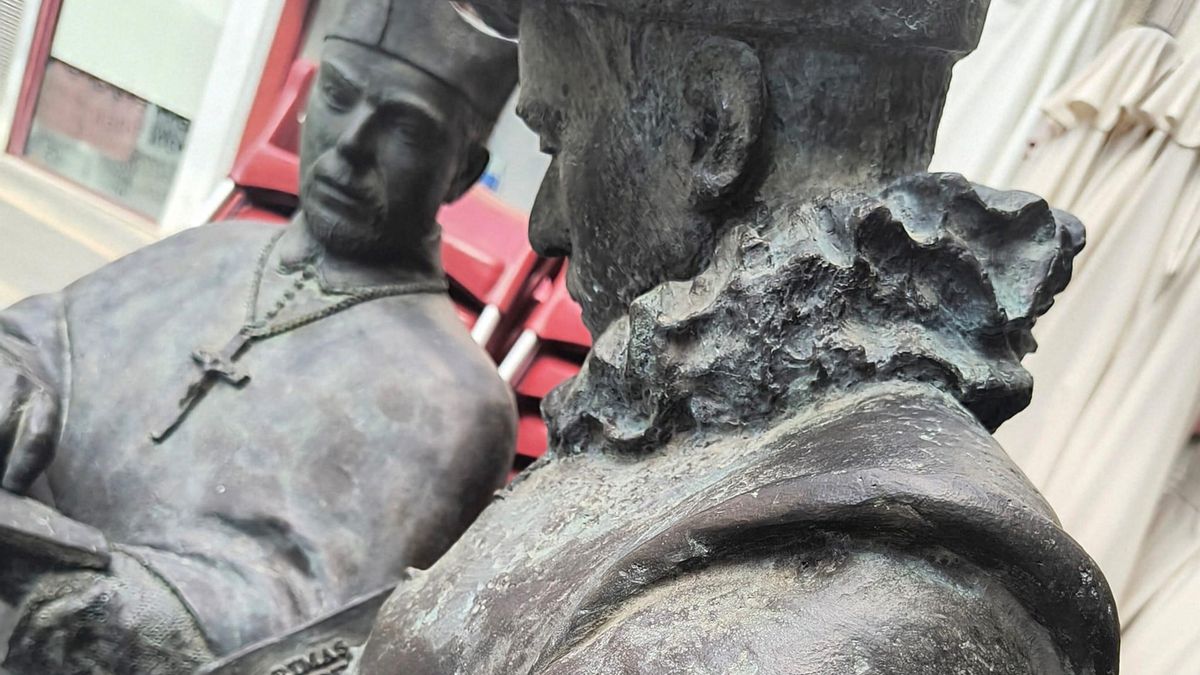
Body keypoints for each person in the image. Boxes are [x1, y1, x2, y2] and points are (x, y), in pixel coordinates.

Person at [352, 0, 1120, 672]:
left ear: (711, 127)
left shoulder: (878, 593)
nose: (544, 224)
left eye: (556, 140)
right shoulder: (685, 426)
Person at [0, 0, 517, 672]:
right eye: (337, 95)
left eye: (405, 128)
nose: (349, 144)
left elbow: (335, 633)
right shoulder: (213, 248)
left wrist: (158, 613)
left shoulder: (457, 400)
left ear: (462, 172)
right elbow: (39, 341)